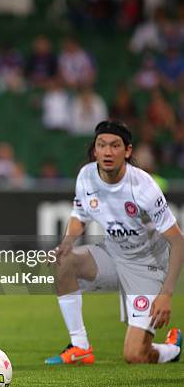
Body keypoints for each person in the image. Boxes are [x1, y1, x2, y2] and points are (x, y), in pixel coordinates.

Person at [46, 120, 183, 365]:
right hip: (112, 255)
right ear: (94, 150)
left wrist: (166, 294)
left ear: (127, 151)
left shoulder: (143, 187)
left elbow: (178, 242)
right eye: (102, 145)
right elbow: (80, 215)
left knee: (135, 355)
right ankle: (81, 347)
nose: (108, 152)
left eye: (115, 146)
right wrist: (66, 243)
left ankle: (171, 349)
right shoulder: (86, 176)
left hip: (147, 265)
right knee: (63, 260)